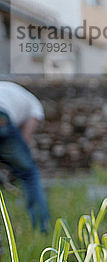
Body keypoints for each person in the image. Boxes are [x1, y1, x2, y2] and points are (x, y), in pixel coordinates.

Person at [0, 81, 50, 232]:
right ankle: (41, 228)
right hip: (1, 117)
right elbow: (25, 138)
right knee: (28, 173)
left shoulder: (7, 89)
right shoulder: (35, 107)